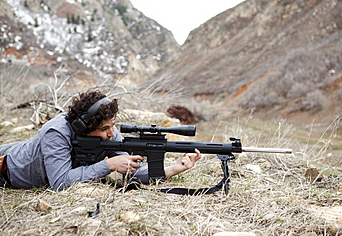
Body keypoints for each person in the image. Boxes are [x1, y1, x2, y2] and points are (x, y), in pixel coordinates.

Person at [0, 90, 201, 190]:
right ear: (82, 127)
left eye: (112, 125)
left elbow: (135, 173)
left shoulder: (110, 133)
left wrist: (174, 168)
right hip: (5, 168)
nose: (112, 133)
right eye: (104, 129)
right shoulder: (56, 132)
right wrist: (108, 165)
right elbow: (59, 183)